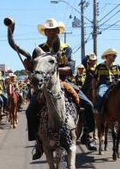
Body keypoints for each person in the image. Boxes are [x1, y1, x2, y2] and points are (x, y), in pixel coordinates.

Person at [27, 18, 97, 161]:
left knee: (88, 105)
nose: (52, 33)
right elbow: (33, 69)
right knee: (30, 110)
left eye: (54, 30)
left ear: (58, 31)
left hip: (64, 82)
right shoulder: (39, 49)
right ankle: (38, 142)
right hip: (44, 85)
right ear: (45, 32)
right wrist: (29, 65)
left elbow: (70, 69)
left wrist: (53, 68)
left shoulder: (66, 47)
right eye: (49, 30)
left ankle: (87, 135)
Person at [94, 48, 120, 113]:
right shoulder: (99, 66)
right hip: (103, 85)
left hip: (115, 85)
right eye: (114, 56)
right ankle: (99, 111)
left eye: (115, 56)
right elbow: (94, 78)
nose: (115, 57)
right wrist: (94, 89)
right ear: (108, 56)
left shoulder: (116, 66)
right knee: (101, 95)